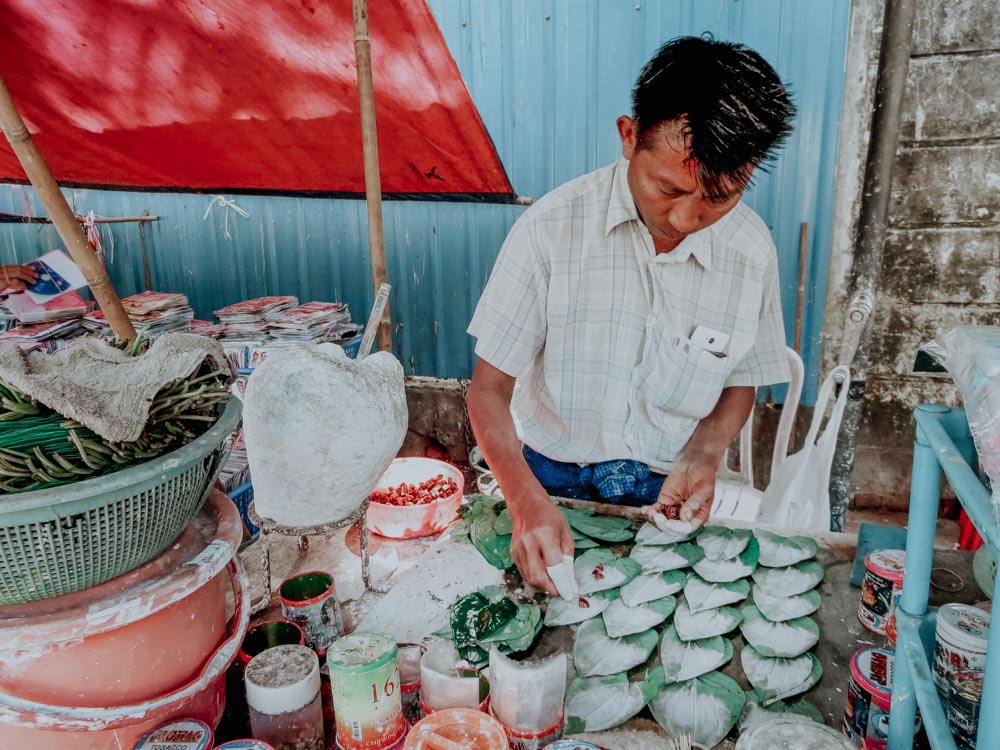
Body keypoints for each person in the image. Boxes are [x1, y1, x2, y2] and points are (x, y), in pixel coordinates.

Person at [466, 36, 796, 594]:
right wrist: (524, 502)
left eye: (720, 196)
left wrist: (705, 451)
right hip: (547, 480)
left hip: (669, 490)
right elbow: (488, 390)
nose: (689, 217)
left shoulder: (751, 251)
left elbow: (741, 380)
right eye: (669, 188)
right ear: (628, 138)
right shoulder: (550, 230)